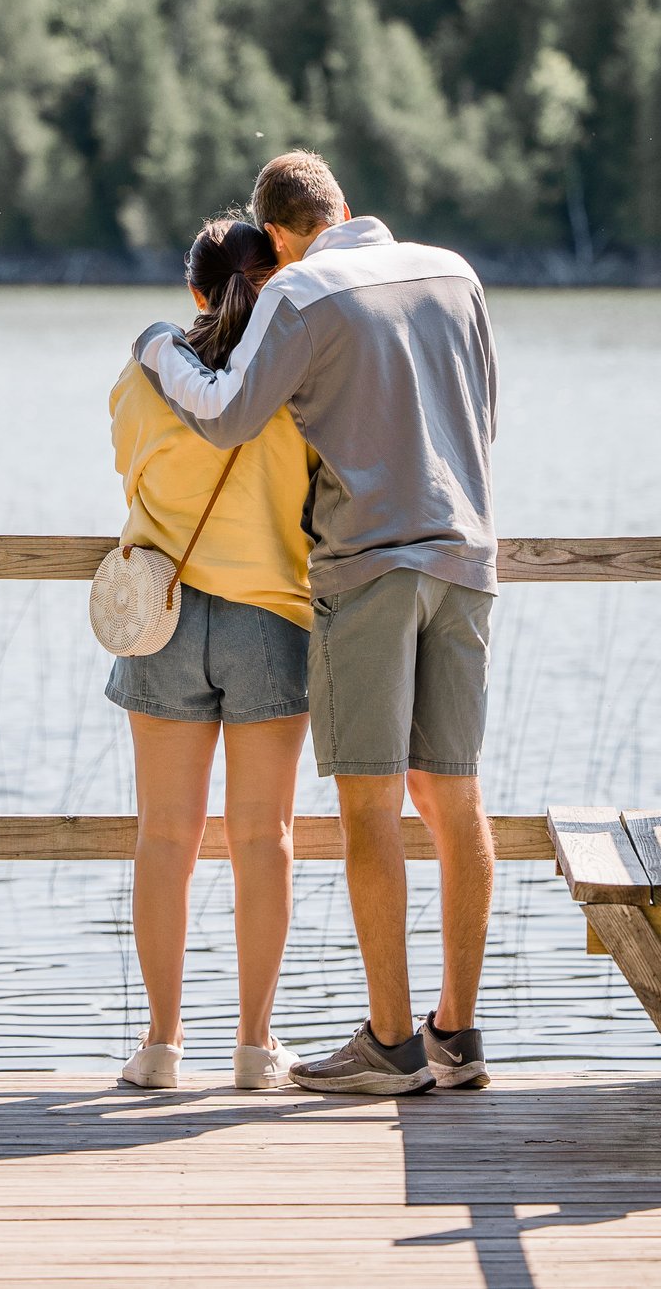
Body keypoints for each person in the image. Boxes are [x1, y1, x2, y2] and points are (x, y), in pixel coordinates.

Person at [132, 151, 498, 1096]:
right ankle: (456, 1036)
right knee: (453, 796)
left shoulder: (303, 293)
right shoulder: (453, 270)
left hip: (370, 566)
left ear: (282, 237)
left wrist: (159, 345)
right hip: (466, 555)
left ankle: (390, 1043)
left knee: (370, 802)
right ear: (348, 206)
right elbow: (484, 414)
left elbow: (224, 415)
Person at [106, 217, 316, 1091]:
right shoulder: (293, 384)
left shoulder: (143, 377)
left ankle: (161, 1043)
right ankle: (256, 1046)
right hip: (269, 617)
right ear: (273, 289)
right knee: (263, 839)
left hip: (164, 614)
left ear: (195, 289)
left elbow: (128, 471)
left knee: (165, 837)